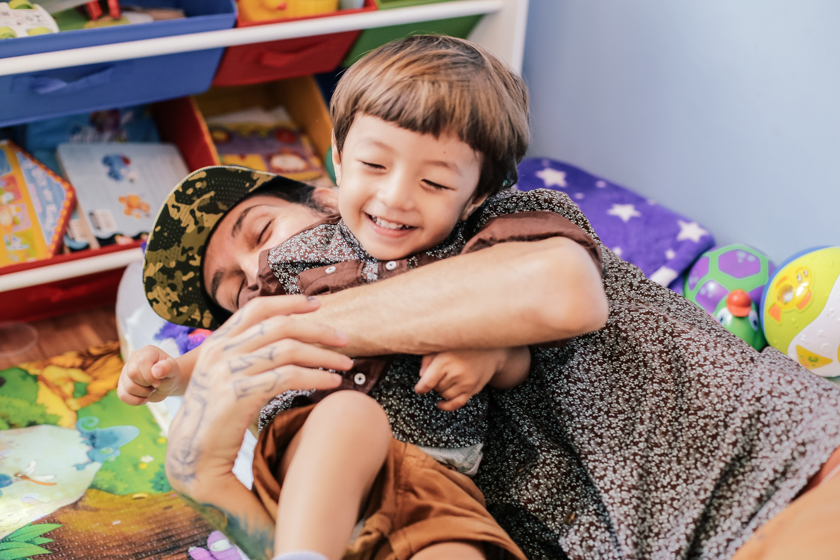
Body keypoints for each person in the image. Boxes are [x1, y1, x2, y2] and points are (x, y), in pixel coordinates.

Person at [121, 38, 840, 560]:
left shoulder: (498, 227)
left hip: (781, 475)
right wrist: (206, 478)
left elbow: (561, 293)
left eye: (264, 233)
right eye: (236, 292)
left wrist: (290, 328)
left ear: (324, 192)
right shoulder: (333, 405)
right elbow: (363, 534)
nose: (261, 277)